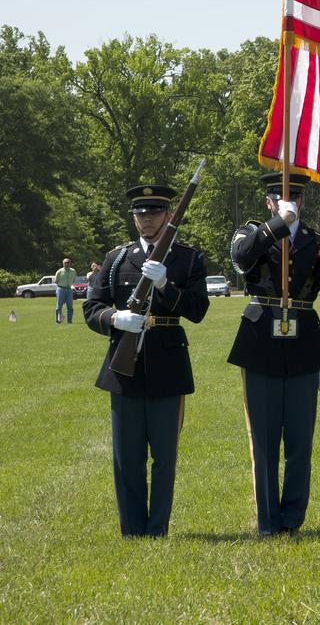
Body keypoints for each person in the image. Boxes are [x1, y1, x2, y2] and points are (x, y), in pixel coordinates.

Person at [83, 184, 209, 537]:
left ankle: (158, 528)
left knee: (164, 457)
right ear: (134, 218)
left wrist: (167, 285)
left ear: (168, 215)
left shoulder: (186, 258)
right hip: (124, 368)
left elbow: (198, 310)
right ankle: (132, 529)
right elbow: (92, 308)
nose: (147, 219)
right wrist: (115, 318)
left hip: (168, 365)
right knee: (127, 457)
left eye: (154, 213)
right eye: (141, 213)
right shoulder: (117, 259)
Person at [228, 172, 320, 536]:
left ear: (304, 199)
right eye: (279, 196)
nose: (288, 200)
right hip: (260, 342)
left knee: (299, 439)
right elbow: (242, 259)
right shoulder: (251, 233)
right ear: (268, 202)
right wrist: (279, 224)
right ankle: (268, 520)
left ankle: (292, 519)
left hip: (303, 346)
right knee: (263, 440)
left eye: (294, 196)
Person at [54, 257, 76, 324]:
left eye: (68, 262)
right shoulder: (59, 271)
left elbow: (74, 279)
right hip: (61, 289)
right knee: (59, 307)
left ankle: (69, 321)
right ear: (63, 264)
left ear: (70, 264)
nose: (67, 264)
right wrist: (62, 285)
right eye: (65, 263)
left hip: (69, 289)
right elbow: (56, 281)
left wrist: (69, 285)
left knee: (70, 306)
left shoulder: (73, 271)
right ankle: (58, 320)